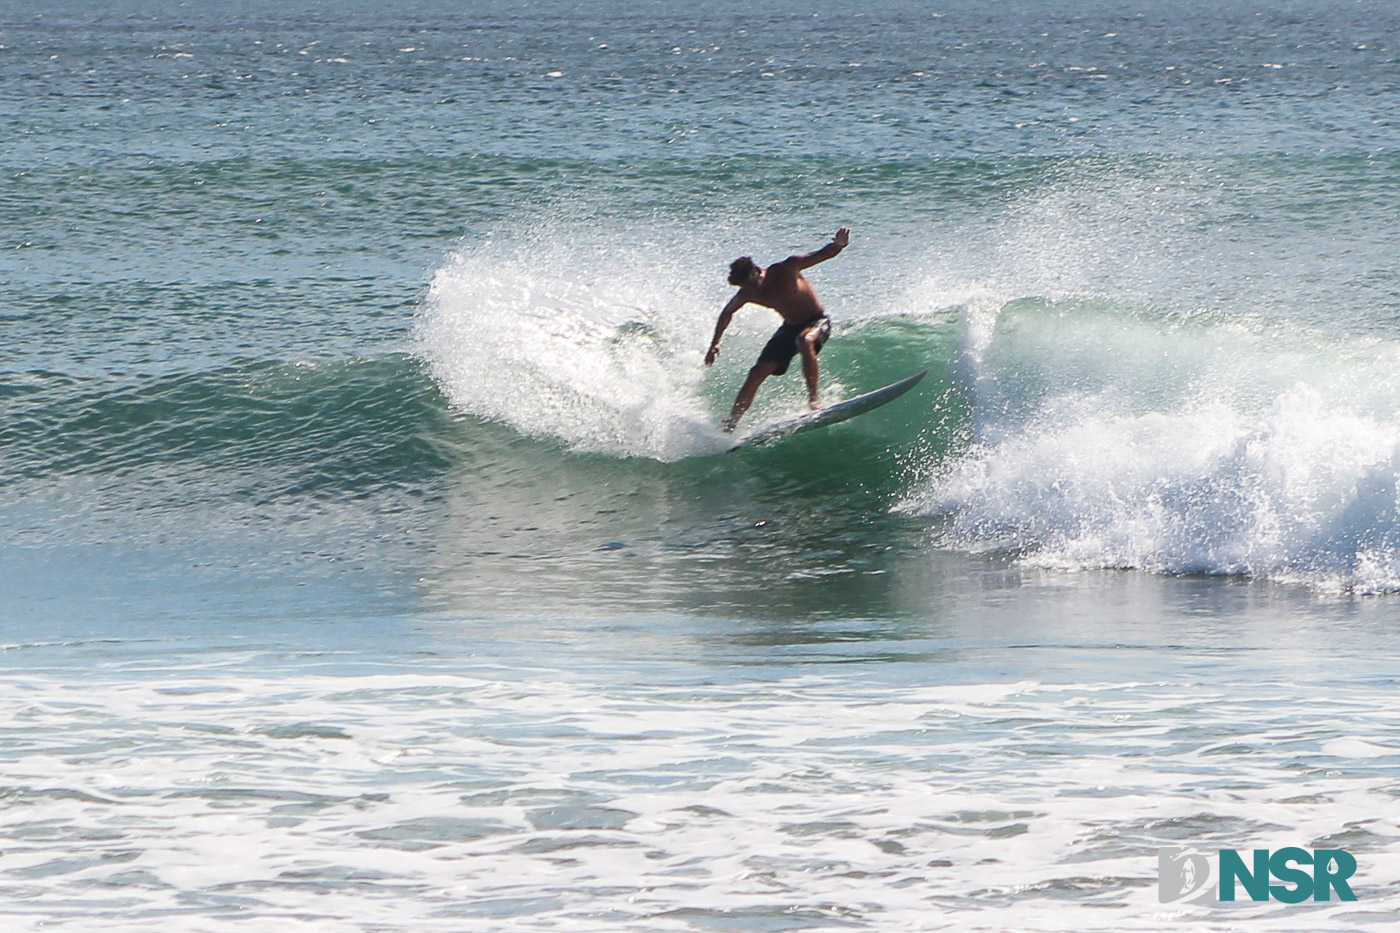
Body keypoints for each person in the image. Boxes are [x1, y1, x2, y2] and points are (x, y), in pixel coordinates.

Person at [705, 227, 850, 432]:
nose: (750, 290)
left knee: (805, 340)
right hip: (789, 328)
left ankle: (814, 400)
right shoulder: (747, 292)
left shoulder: (787, 269)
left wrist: (839, 244)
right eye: (744, 287)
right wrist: (714, 343)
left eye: (751, 284)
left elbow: (823, 254)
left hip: (817, 321)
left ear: (757, 271)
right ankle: (731, 424)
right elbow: (727, 313)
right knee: (757, 372)